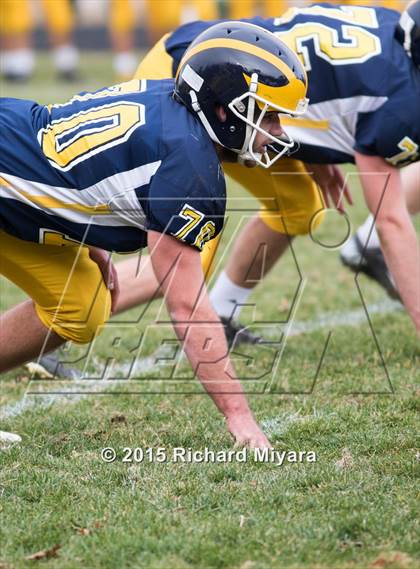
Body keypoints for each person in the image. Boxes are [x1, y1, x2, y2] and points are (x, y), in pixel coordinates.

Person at [0, 22, 310, 448]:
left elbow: (90, 165)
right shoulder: (188, 166)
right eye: (268, 115)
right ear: (225, 109)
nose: (277, 131)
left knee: (80, 303)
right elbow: (187, 308)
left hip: (16, 166)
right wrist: (240, 417)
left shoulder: (170, 100)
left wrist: (87, 236)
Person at [125, 1, 420, 341]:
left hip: (232, 91)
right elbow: (392, 221)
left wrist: (313, 148)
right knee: (181, 260)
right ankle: (60, 315)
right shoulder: (401, 100)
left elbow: (324, 78)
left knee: (299, 208)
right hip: (192, 81)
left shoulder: (392, 28)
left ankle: (221, 312)